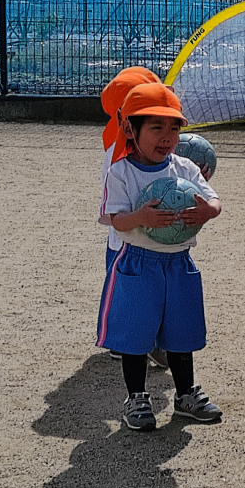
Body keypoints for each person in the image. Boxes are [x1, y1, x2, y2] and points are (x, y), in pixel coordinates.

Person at [97, 83, 223, 430]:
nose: (167, 136)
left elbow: (213, 199)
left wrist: (208, 211)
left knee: (182, 333)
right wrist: (141, 217)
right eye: (156, 127)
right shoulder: (121, 172)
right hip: (138, 262)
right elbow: (115, 219)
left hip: (179, 262)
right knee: (135, 336)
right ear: (129, 130)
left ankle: (185, 395)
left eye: (174, 128)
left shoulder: (185, 168)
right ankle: (137, 397)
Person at [98, 66, 163, 366]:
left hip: (141, 234)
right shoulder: (118, 151)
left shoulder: (128, 142)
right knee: (124, 290)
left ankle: (142, 338)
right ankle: (121, 340)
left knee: (140, 289)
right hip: (126, 236)